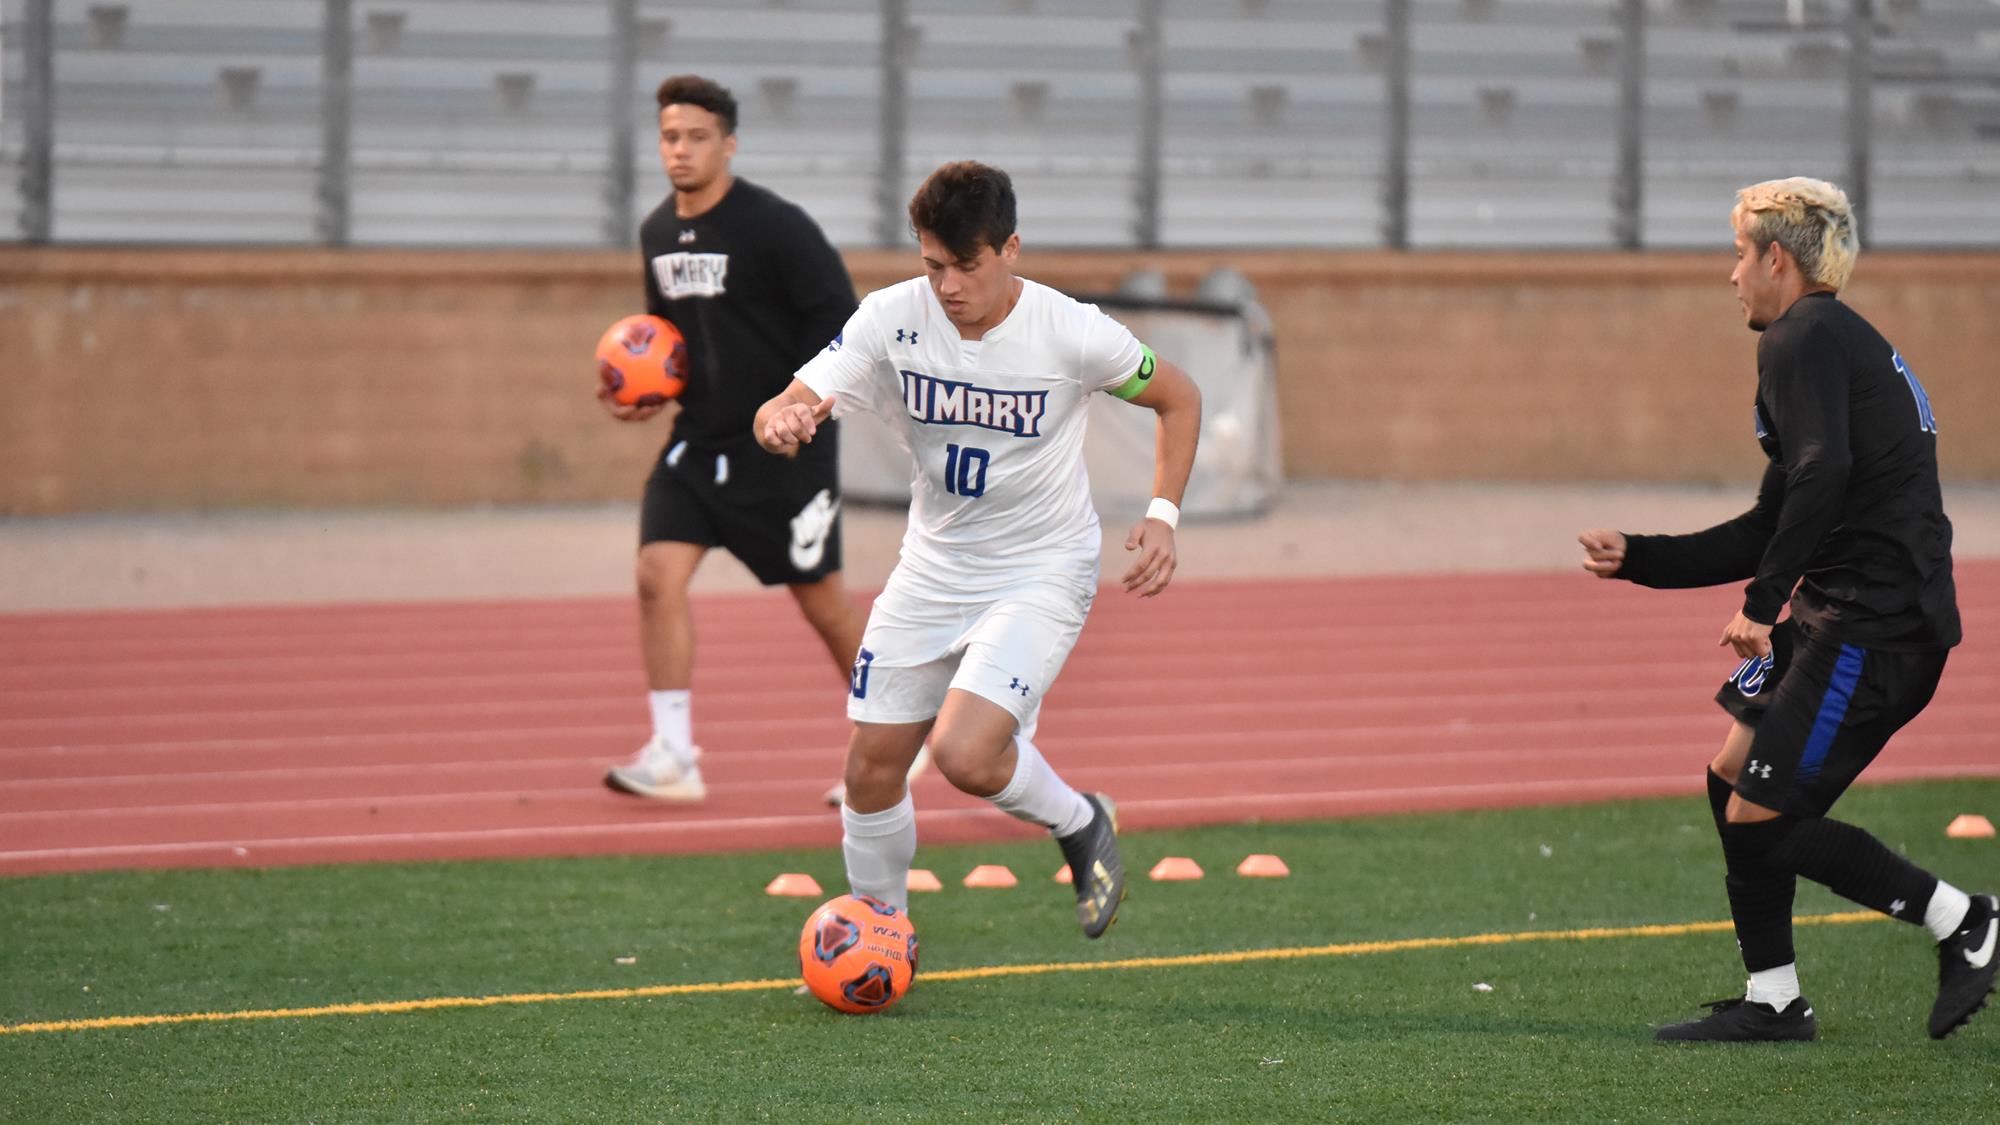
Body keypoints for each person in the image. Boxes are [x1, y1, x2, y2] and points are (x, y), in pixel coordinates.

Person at [1579, 176, 1994, 1042]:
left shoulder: (1800, 337)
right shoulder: (1827, 340)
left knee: (1764, 817)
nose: (1731, 274)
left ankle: (1963, 918)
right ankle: (1773, 998)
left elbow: (1821, 474)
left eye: (1739, 254)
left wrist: (1762, 604)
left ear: (1777, 259)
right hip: (1840, 613)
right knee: (1732, 776)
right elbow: (1776, 518)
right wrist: (1641, 558)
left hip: (1872, 627)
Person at [752, 161, 1202, 936]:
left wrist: (1162, 514)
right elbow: (789, 402)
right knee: (870, 769)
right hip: (932, 568)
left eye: (966, 264)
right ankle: (883, 933)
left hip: (1041, 568)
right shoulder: (890, 317)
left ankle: (1080, 819)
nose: (948, 284)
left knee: (963, 753)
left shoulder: (1071, 330)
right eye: (934, 264)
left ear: (1010, 249)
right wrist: (779, 422)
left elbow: (1179, 397)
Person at [600, 75, 926, 804]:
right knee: (656, 575)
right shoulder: (656, 233)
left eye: (697, 137)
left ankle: (896, 741)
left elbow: (843, 323)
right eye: (670, 136)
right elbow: (672, 341)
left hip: (783, 445)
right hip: (697, 443)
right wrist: (645, 391)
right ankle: (673, 755)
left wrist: (807, 409)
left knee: (822, 603)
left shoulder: (775, 226)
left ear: (729, 144)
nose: (680, 150)